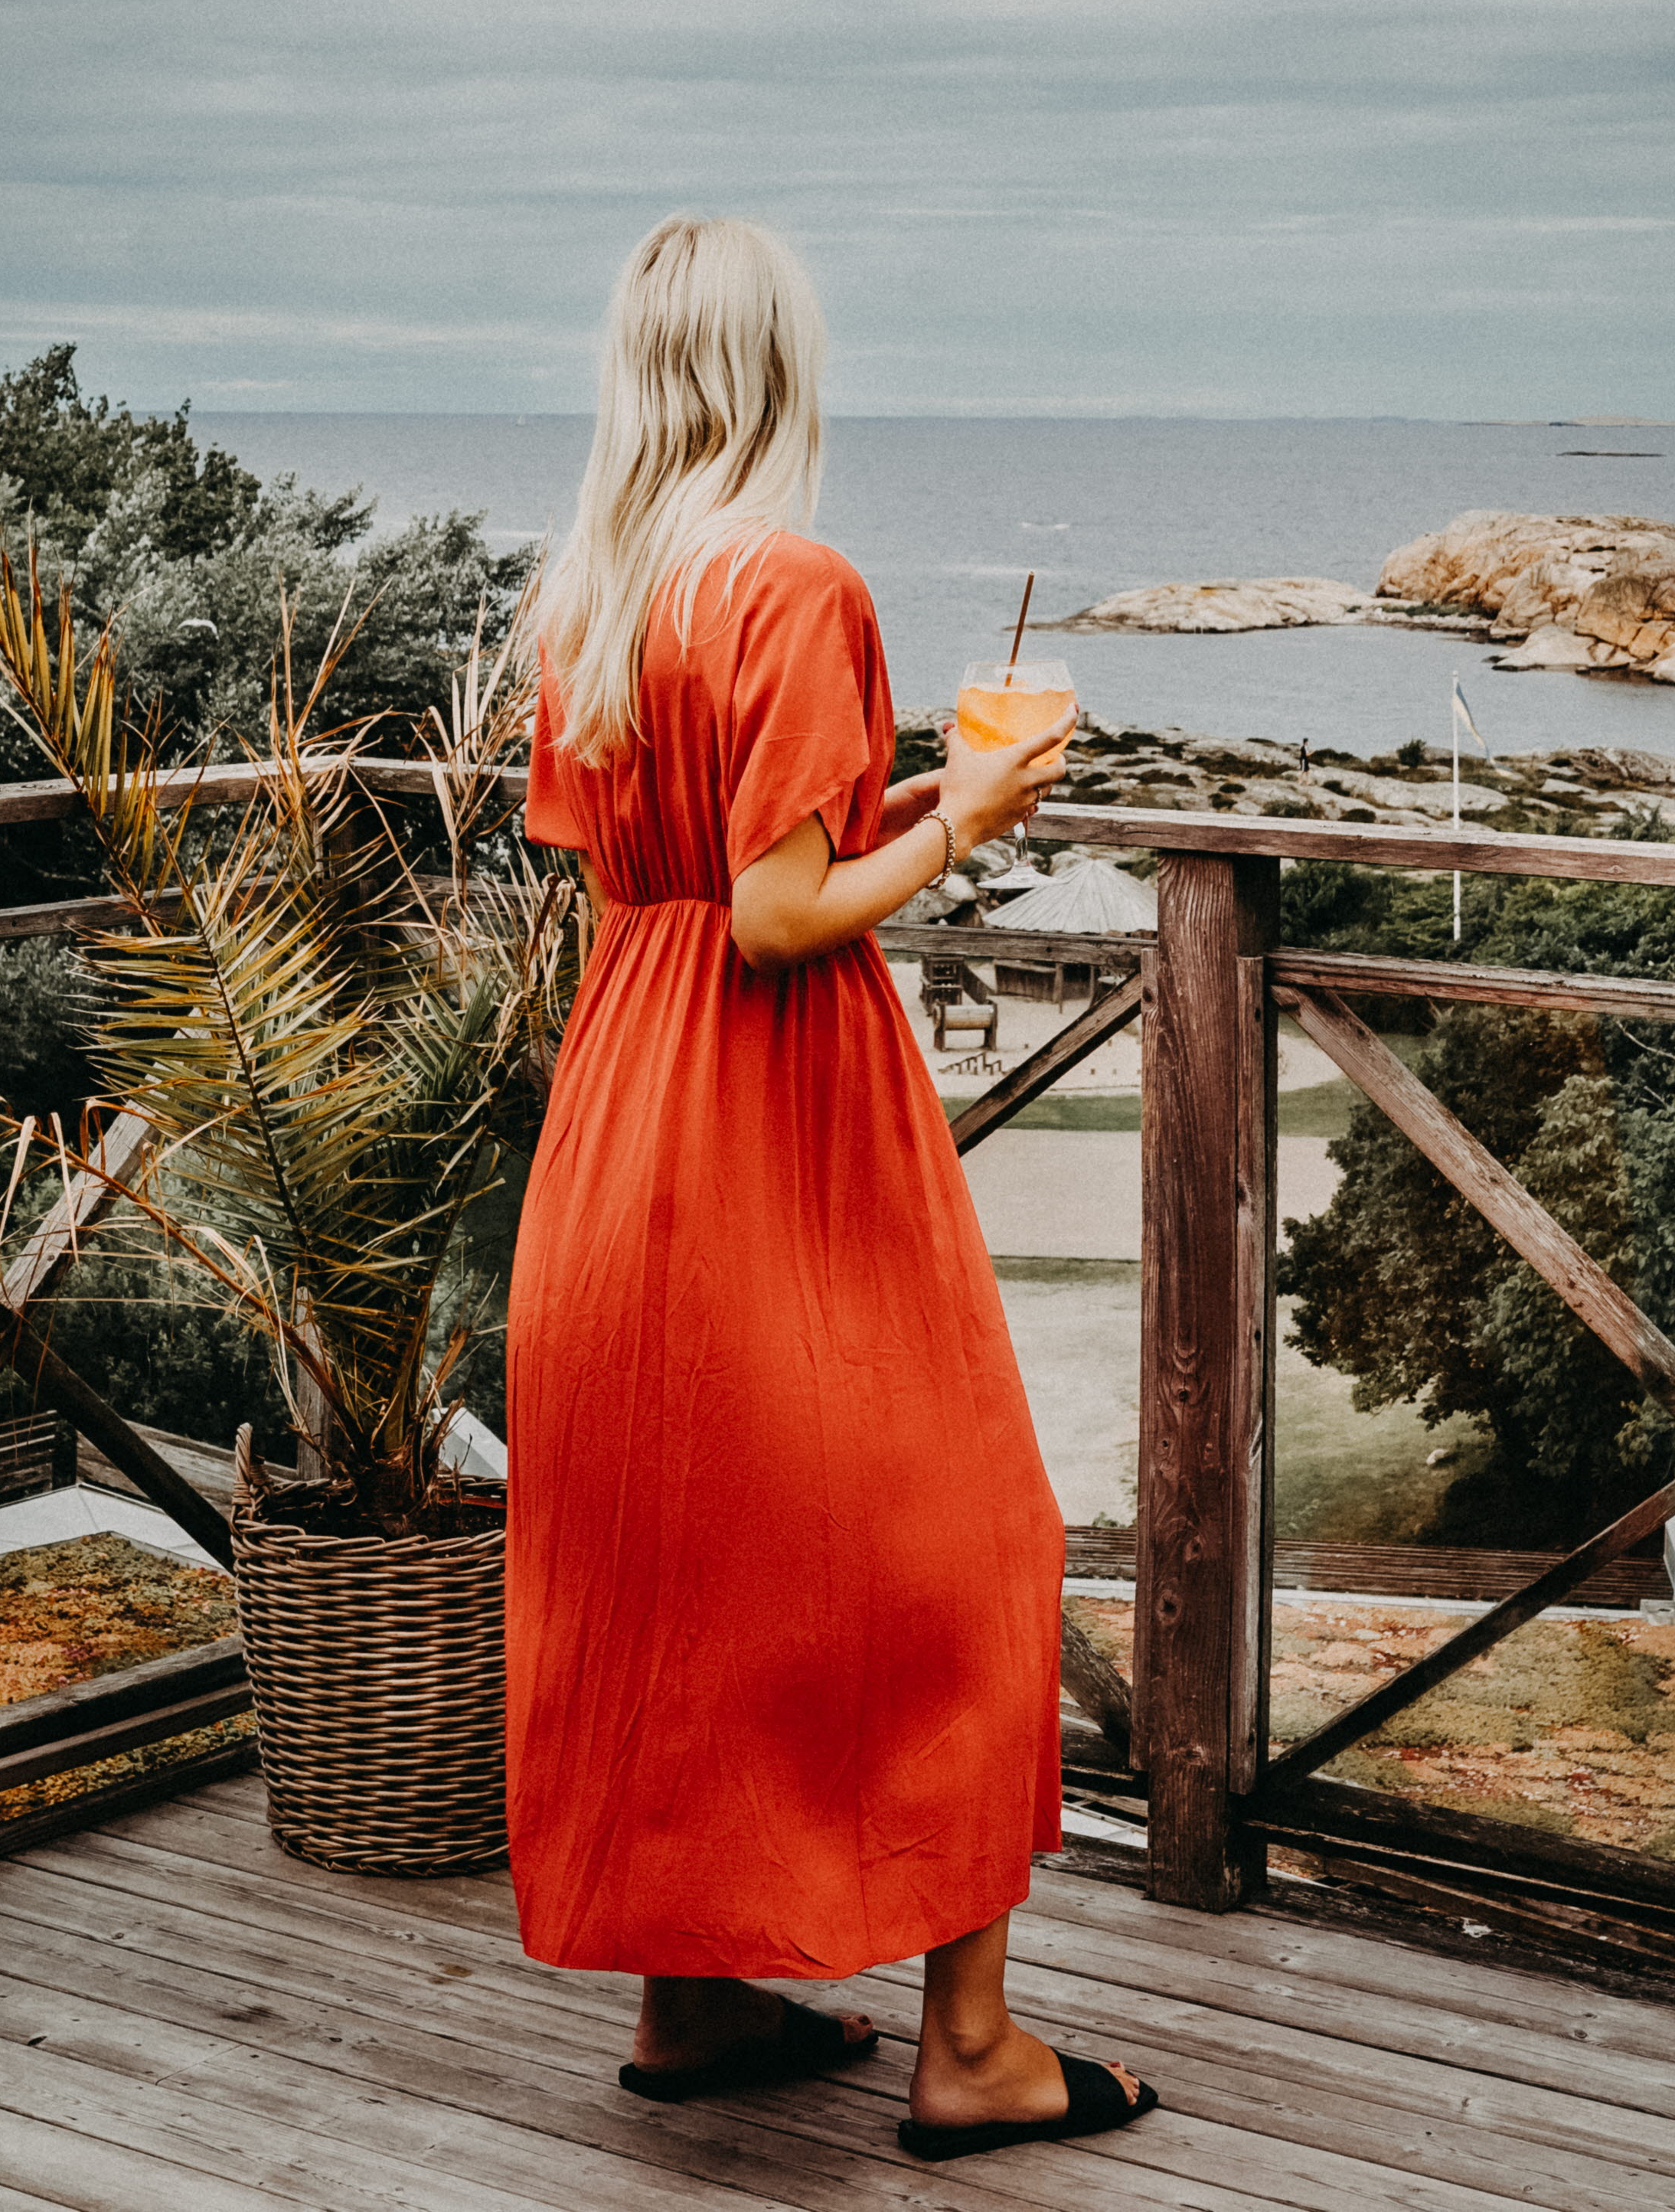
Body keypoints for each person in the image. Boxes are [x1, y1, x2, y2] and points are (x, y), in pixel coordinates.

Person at [507, 214, 1157, 2162]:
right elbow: (783, 920)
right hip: (775, 1124)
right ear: (779, 370)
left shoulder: (593, 592)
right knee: (971, 1547)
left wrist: (883, 805)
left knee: (679, 1563)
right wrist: (967, 812)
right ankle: (972, 2054)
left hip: (623, 1113)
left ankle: (691, 2000)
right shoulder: (793, 577)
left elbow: (701, 866)